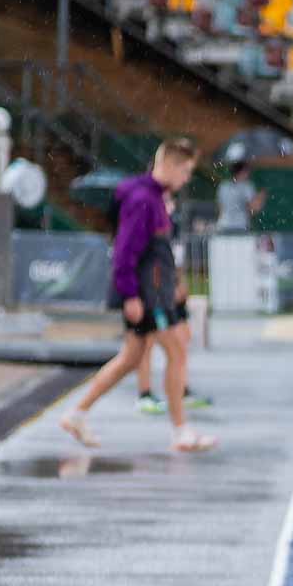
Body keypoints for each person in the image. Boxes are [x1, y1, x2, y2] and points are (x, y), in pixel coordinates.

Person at [60, 138, 216, 453]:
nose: (187, 178)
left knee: (131, 358)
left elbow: (158, 251)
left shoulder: (156, 198)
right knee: (176, 352)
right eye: (185, 171)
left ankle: (77, 414)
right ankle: (181, 431)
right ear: (169, 165)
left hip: (154, 292)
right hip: (145, 294)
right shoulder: (142, 199)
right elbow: (125, 251)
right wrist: (131, 295)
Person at [135, 192, 213, 416]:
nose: (169, 204)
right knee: (144, 346)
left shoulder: (173, 223)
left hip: (169, 294)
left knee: (181, 340)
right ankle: (144, 394)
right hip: (152, 295)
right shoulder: (145, 219)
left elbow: (175, 258)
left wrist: (181, 282)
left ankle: (181, 391)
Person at [215, 157, 265, 233]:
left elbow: (220, 208)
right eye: (247, 171)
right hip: (241, 227)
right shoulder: (247, 186)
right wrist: (261, 198)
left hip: (223, 225)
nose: (249, 173)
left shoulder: (223, 186)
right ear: (242, 171)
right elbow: (253, 209)